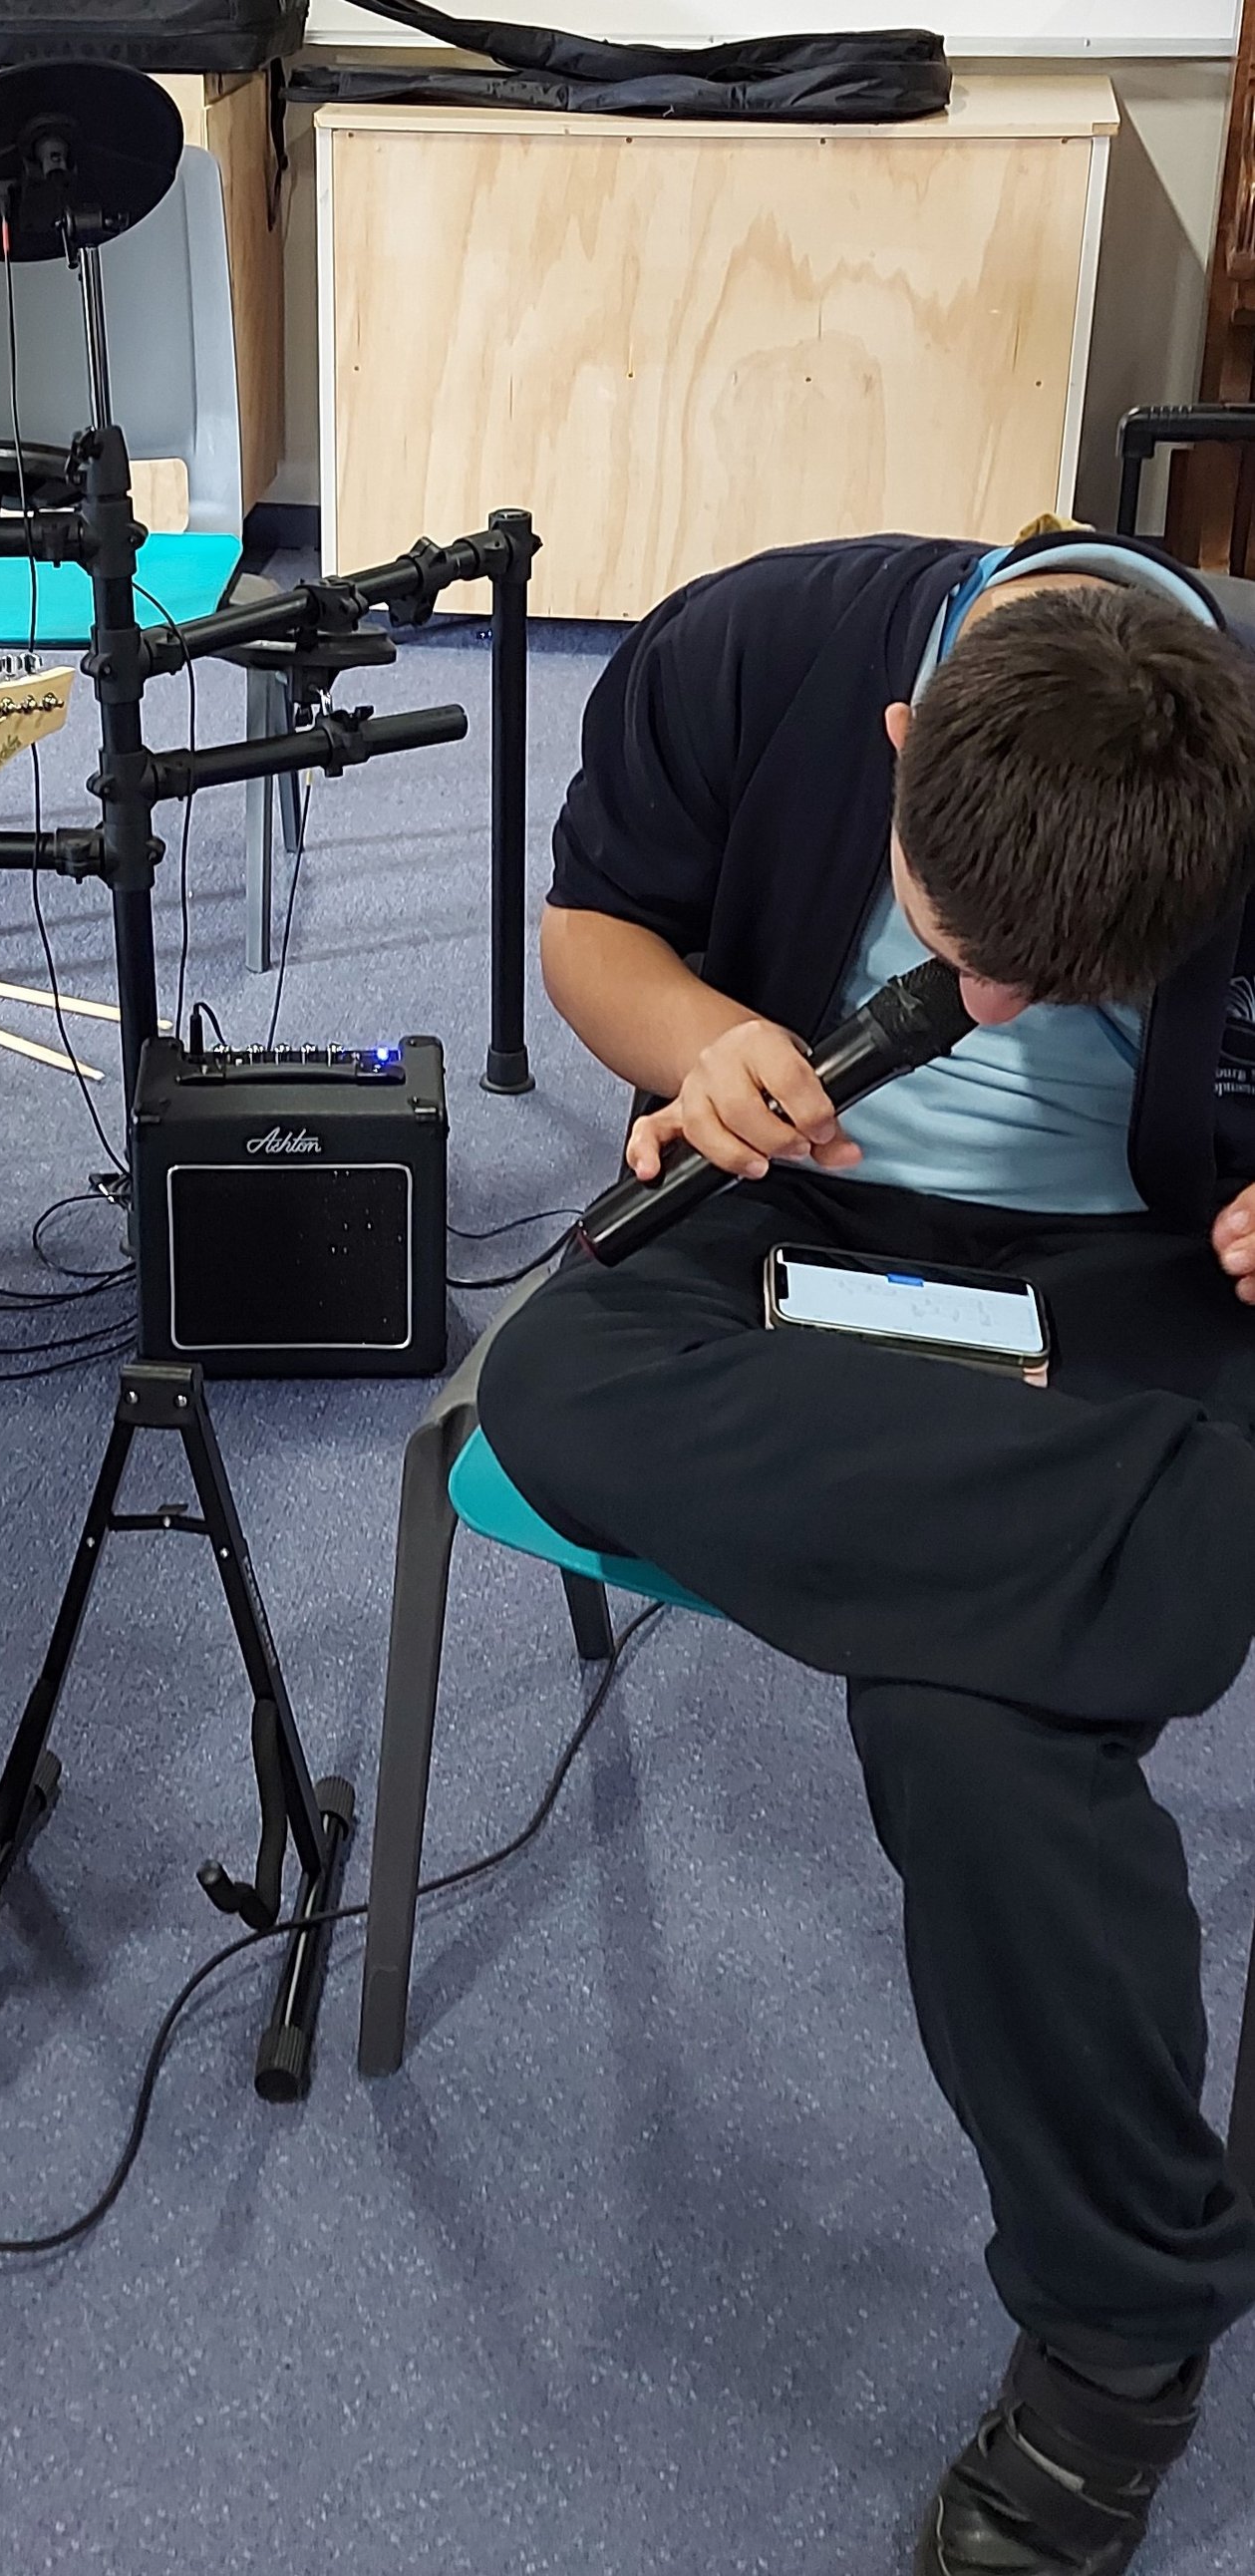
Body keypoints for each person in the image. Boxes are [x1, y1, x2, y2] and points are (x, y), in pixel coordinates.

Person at [475, 523, 1255, 2576]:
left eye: (1051, 984)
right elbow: (593, 937)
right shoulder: (753, 646)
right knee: (549, 1381)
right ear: (900, 741)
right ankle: (1176, 1534)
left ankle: (1109, 2348)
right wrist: (689, 1036)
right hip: (788, 1218)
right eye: (952, 941)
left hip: (1136, 1277)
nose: (984, 1016)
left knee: (967, 1711)